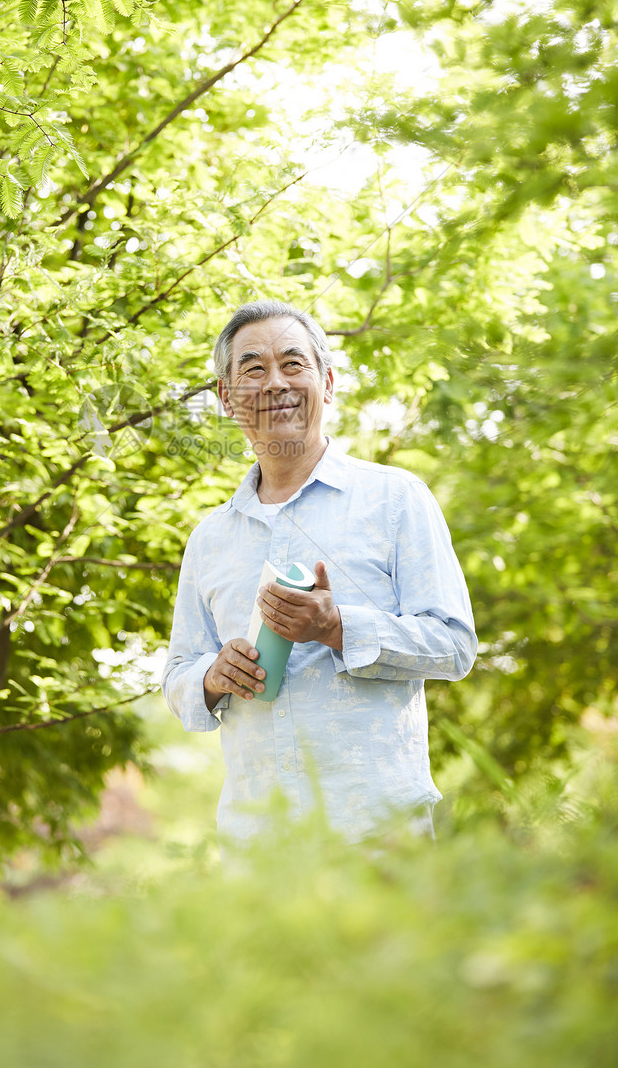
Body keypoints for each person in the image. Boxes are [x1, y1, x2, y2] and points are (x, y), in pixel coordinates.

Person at [161, 300, 476, 848]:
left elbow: (454, 645)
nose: (275, 382)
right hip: (256, 843)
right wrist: (212, 677)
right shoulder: (209, 538)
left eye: (293, 364)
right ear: (226, 397)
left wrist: (338, 628)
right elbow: (179, 673)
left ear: (327, 383)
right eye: (253, 368)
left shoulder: (396, 499)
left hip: (378, 830)